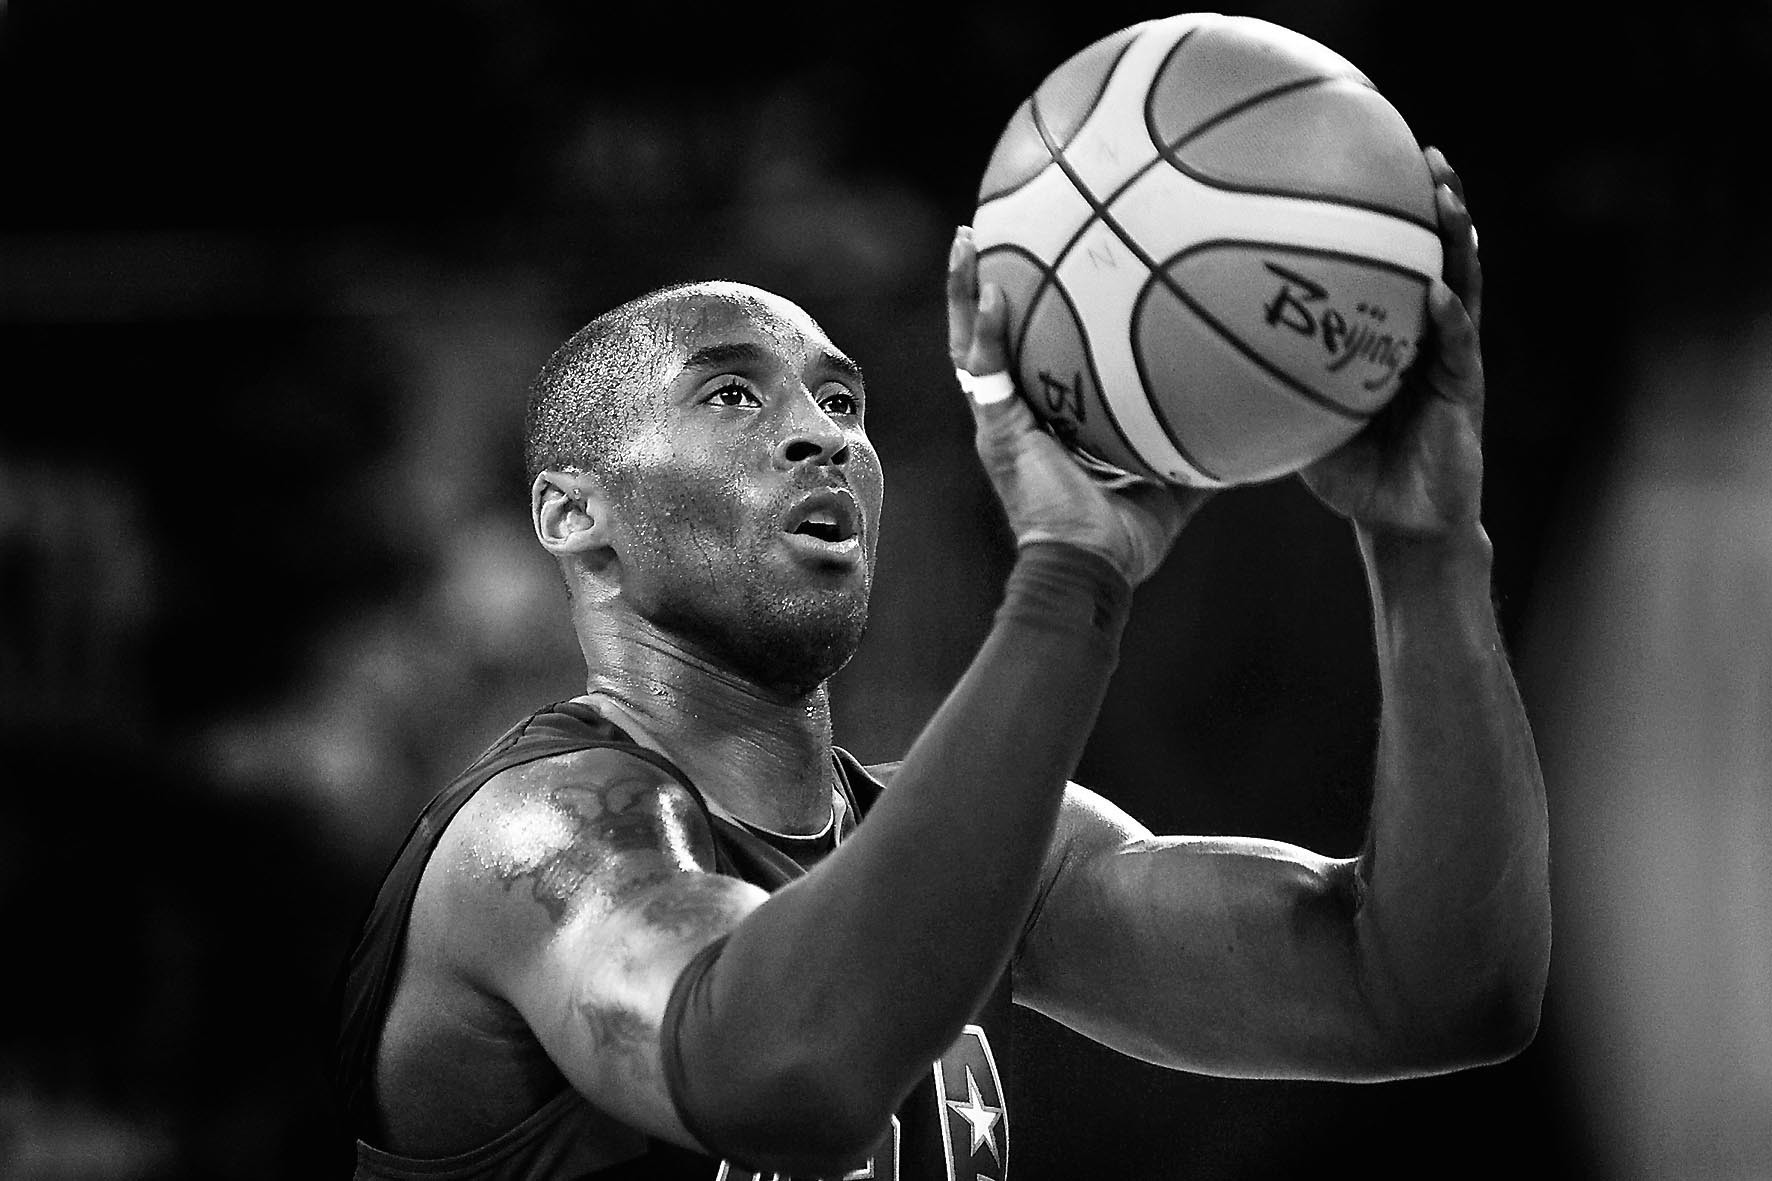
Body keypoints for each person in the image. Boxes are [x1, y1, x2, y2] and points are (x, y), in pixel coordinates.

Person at [328, 147, 1550, 1181]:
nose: (819, 433)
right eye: (731, 395)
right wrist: (1068, 580)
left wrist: (1424, 548)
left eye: (841, 402)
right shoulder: (537, 839)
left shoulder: (987, 850)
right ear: (570, 514)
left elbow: (1430, 988)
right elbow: (789, 1074)